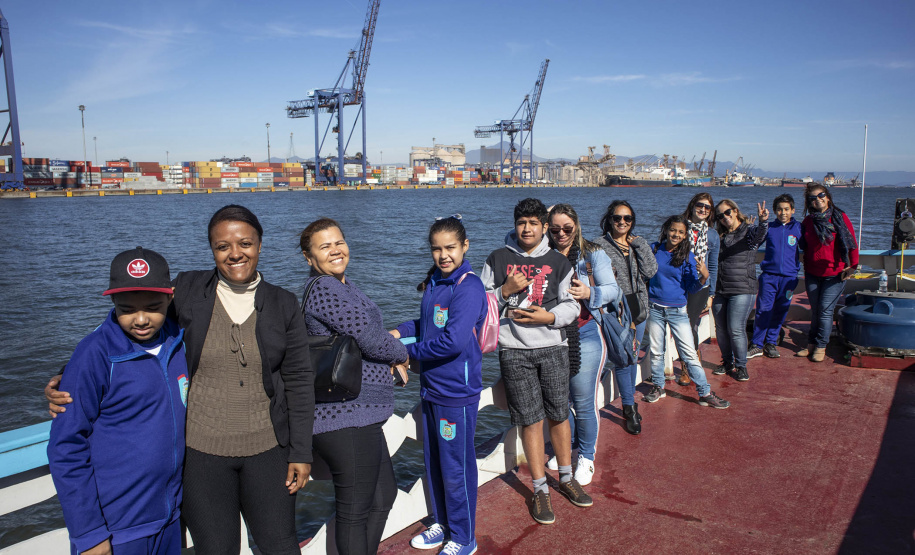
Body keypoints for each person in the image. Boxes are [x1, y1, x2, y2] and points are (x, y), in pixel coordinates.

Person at [49, 205, 316, 555]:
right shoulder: (188, 290)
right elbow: (131, 312)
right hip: (201, 455)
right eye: (223, 247)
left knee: (280, 545)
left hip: (268, 450)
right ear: (212, 250)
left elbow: (299, 379)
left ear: (260, 245)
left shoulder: (283, 303)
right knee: (217, 549)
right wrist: (67, 373)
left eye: (245, 243)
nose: (235, 253)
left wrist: (301, 451)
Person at [48, 247, 187, 555]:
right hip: (116, 531)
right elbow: (66, 448)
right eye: (126, 308)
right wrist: (89, 535)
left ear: (171, 297)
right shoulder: (94, 355)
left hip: (170, 520)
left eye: (153, 306)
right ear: (112, 302)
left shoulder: (180, 342)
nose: (140, 319)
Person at [299, 217, 409, 555]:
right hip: (343, 416)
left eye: (339, 242)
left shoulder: (344, 285)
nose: (335, 250)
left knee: (382, 495)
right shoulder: (324, 288)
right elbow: (369, 338)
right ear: (309, 258)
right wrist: (402, 354)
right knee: (354, 511)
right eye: (324, 246)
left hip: (360, 415)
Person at [479, 198, 590, 526]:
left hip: (554, 347)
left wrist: (550, 316)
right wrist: (504, 291)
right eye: (521, 222)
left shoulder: (558, 261)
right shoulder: (497, 259)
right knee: (529, 420)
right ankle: (540, 487)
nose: (527, 229)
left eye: (533, 223)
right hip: (513, 351)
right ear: (515, 225)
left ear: (544, 227)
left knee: (558, 414)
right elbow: (480, 306)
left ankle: (566, 477)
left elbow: (572, 306)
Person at [392, 215, 486, 555]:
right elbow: (427, 323)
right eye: (437, 249)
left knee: (456, 466)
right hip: (431, 387)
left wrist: (403, 351)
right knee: (434, 461)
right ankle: (443, 523)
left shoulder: (469, 287)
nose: (443, 255)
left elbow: (453, 342)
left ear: (465, 246)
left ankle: (464, 538)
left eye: (450, 248)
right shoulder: (436, 281)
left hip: (456, 393)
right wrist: (399, 332)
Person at [545, 204, 620, 485]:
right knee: (557, 402)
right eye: (554, 229)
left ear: (576, 225)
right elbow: (511, 237)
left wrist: (590, 291)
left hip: (585, 332)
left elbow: (613, 289)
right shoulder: (541, 253)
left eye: (567, 228)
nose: (561, 234)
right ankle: (569, 446)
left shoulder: (592, 254)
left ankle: (586, 456)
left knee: (584, 402)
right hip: (551, 334)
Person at [643, 215, 730, 409]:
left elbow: (691, 288)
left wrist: (704, 277)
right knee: (657, 352)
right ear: (667, 230)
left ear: (685, 236)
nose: (676, 234)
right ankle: (658, 386)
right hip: (655, 308)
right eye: (673, 230)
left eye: (681, 232)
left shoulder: (687, 256)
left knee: (689, 353)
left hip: (677, 310)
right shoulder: (654, 249)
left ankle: (705, 392)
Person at [594, 200, 657, 434]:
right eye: (617, 218)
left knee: (633, 355)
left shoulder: (637, 244)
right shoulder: (598, 245)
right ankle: (628, 408)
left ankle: (629, 402)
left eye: (627, 218)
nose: (622, 222)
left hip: (638, 306)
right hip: (616, 307)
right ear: (609, 220)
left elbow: (651, 271)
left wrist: (640, 245)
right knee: (623, 358)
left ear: (632, 221)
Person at [797, 185, 859, 362]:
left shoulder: (840, 217)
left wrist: (853, 266)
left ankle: (821, 346)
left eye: (821, 195)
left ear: (828, 196)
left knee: (825, 311)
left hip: (835, 273)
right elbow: (802, 243)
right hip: (812, 273)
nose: (817, 199)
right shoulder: (808, 222)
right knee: (816, 311)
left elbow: (852, 242)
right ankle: (810, 345)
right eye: (812, 198)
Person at [712, 199, 769, 382]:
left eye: (727, 213)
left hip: (743, 288)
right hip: (721, 289)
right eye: (720, 216)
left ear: (735, 211)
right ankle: (727, 361)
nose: (724, 218)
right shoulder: (718, 236)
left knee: (735, 328)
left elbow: (761, 235)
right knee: (721, 329)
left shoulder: (749, 232)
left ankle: (741, 365)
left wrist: (763, 221)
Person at [748, 194, 802, 359]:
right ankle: (757, 344)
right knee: (763, 310)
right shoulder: (770, 227)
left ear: (792, 210)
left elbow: (811, 245)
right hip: (769, 277)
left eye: (786, 209)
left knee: (780, 310)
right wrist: (756, 224)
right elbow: (754, 241)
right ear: (774, 211)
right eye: (779, 209)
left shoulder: (799, 228)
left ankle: (771, 342)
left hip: (789, 279)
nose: (783, 212)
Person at [676, 193, 720, 386]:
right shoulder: (680, 228)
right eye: (700, 205)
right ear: (692, 206)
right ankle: (693, 357)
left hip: (701, 285)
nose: (703, 209)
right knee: (678, 325)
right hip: (679, 283)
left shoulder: (712, 235)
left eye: (707, 207)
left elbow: (714, 266)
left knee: (688, 324)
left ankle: (688, 365)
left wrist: (711, 293)